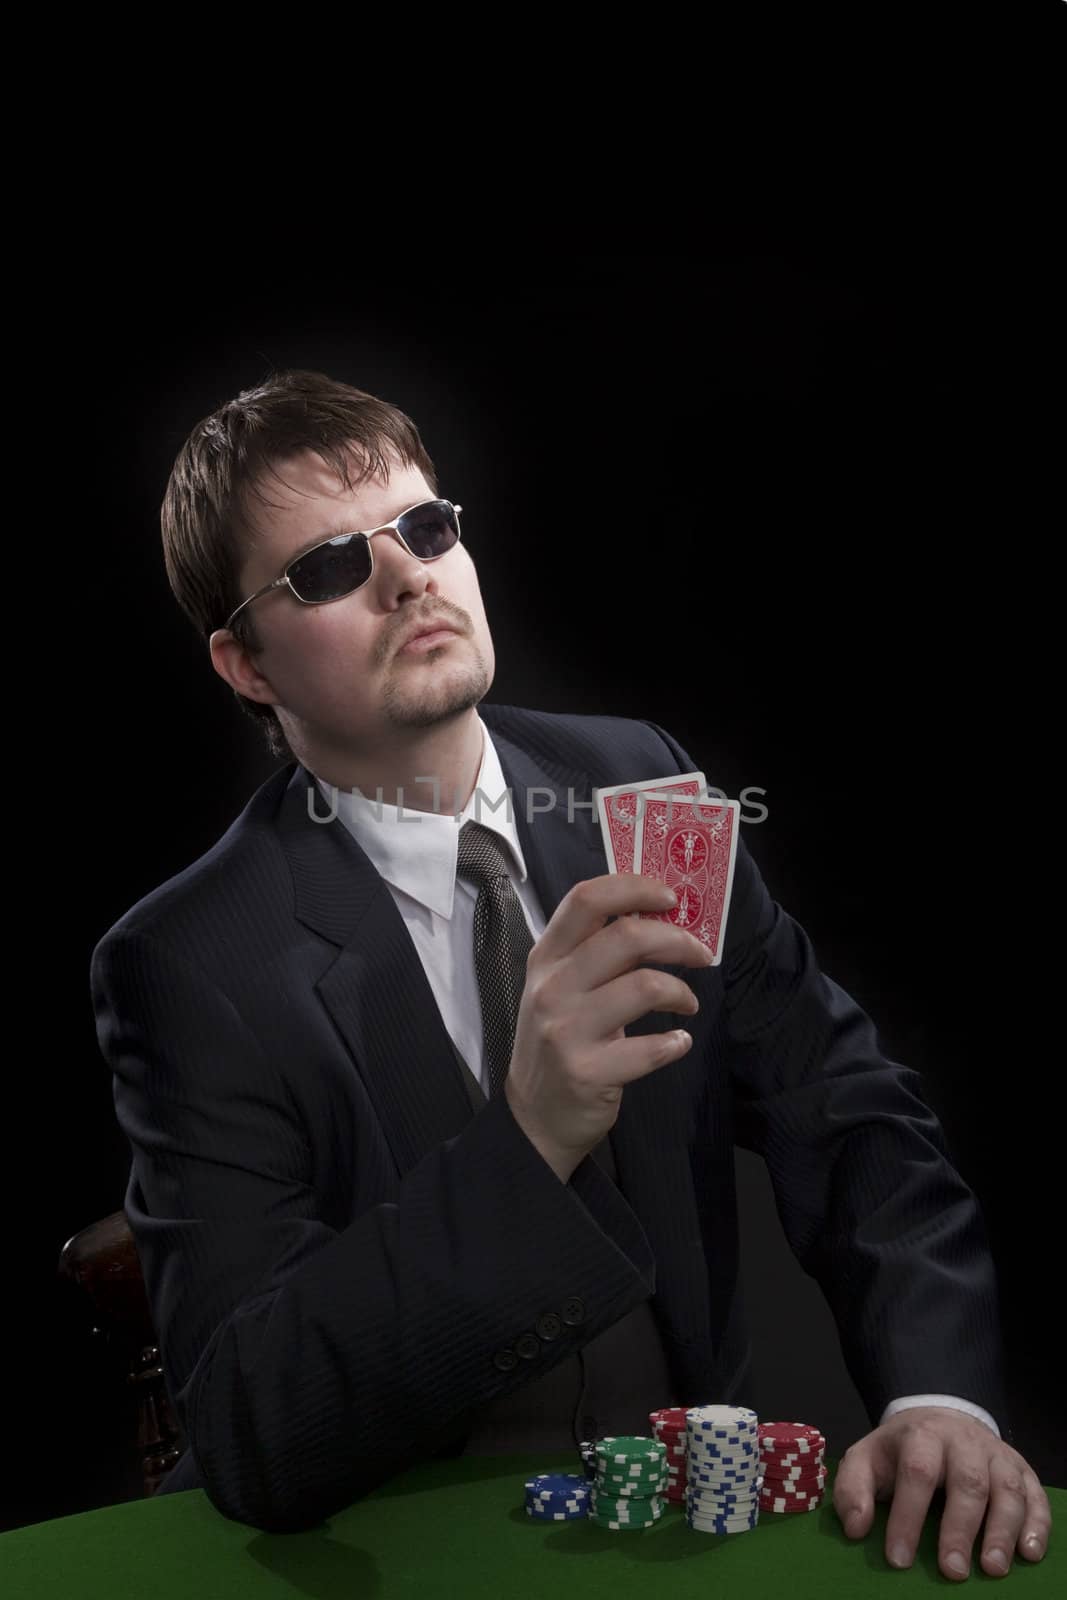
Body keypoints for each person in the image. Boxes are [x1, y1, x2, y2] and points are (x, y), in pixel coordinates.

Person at [91, 368, 1050, 1578]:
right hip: (392, 1560)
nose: (408, 576)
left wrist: (937, 1401)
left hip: (690, 1545)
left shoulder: (645, 792)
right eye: (330, 566)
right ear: (245, 666)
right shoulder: (187, 963)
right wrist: (526, 1137)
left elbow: (849, 1113)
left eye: (425, 528)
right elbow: (255, 1429)